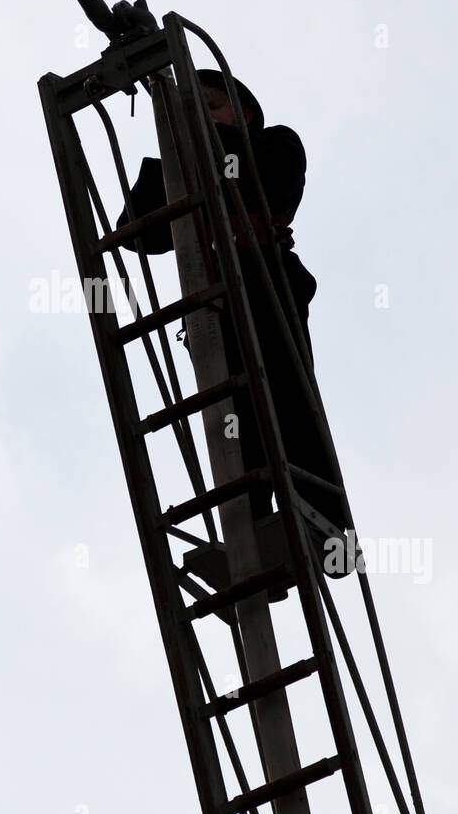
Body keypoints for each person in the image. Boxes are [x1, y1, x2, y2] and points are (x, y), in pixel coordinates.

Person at [115, 68, 349, 541]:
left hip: (266, 283)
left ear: (243, 115)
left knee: (286, 393)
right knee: (233, 422)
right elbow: (137, 231)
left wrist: (195, 135)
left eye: (211, 106)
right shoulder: (185, 170)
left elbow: (258, 176)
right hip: (214, 303)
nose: (201, 117)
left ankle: (324, 519)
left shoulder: (276, 143)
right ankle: (255, 528)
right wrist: (174, 154)